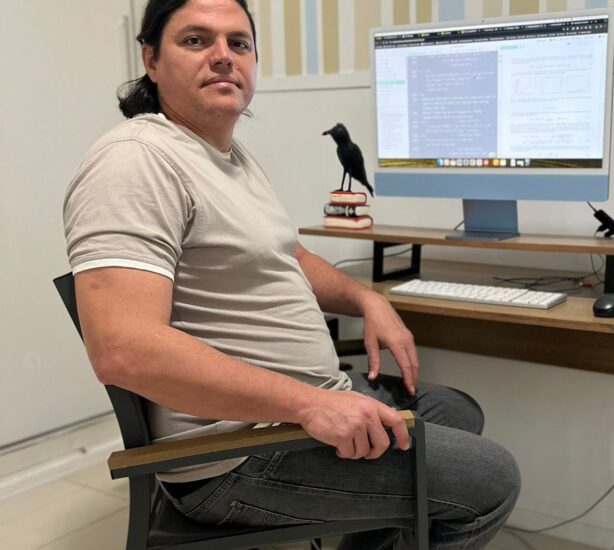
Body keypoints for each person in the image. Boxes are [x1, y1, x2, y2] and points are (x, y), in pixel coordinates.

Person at [63, 0, 520, 547]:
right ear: (151, 60)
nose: (223, 56)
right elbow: (123, 349)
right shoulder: (135, 161)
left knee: (455, 410)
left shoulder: (228, 158)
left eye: (238, 43)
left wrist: (368, 300)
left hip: (298, 407)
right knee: (492, 480)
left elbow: (290, 256)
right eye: (195, 40)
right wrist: (311, 404)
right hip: (237, 452)